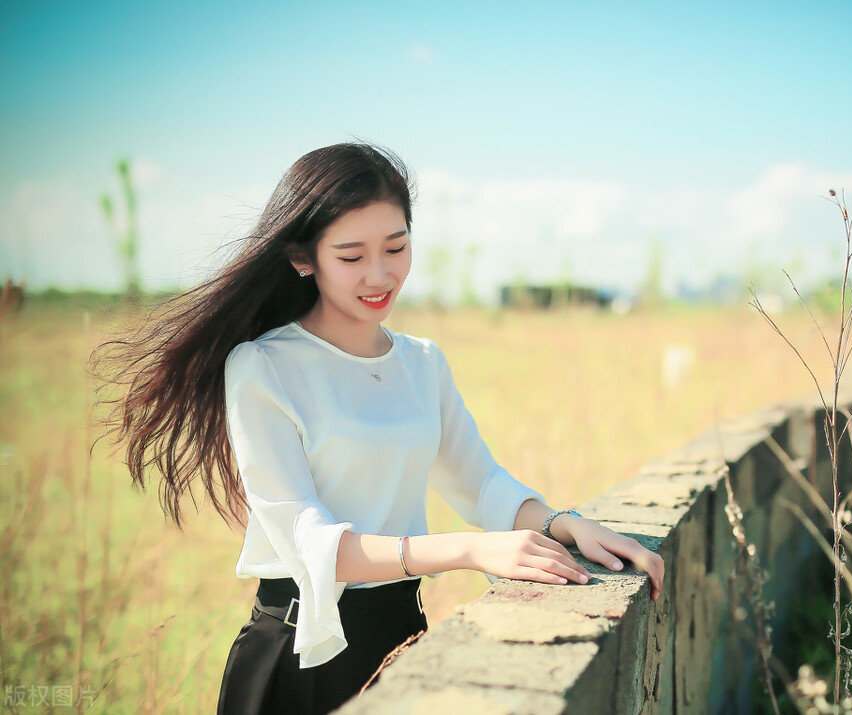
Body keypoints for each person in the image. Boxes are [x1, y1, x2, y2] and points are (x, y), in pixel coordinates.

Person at [89, 142, 665, 714]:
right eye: (351, 255)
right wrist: (470, 549)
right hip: (299, 656)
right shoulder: (263, 367)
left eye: (396, 247)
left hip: (403, 640)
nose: (380, 274)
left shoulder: (422, 361)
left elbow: (481, 485)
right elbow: (314, 546)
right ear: (302, 258)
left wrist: (568, 524)